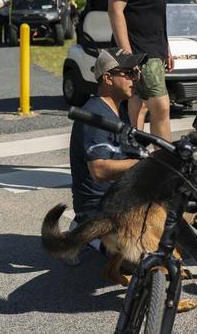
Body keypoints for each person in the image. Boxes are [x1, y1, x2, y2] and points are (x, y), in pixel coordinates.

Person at [68, 47, 146, 263]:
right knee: (135, 260)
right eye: (129, 73)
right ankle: (80, 232)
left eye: (136, 73)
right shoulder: (95, 115)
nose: (134, 78)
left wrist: (139, 115)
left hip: (121, 199)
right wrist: (143, 164)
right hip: (98, 208)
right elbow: (100, 170)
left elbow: (130, 150)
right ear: (108, 78)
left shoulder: (118, 109)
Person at [108, 0, 173, 142]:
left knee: (139, 106)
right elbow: (115, 10)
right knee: (162, 107)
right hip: (139, 49)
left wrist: (167, 47)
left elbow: (157, 11)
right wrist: (127, 55)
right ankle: (164, 165)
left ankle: (136, 156)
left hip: (156, 48)